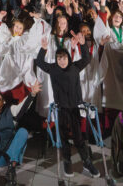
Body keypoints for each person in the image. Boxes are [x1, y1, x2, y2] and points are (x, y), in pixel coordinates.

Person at [34, 34, 101, 179]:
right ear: (56, 59)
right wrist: (43, 49)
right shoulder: (53, 69)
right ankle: (67, 161)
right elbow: (39, 62)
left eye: (64, 58)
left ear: (68, 58)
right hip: (61, 108)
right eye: (59, 58)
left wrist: (82, 45)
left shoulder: (75, 67)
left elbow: (86, 59)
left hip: (74, 107)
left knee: (78, 138)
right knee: (63, 136)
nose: (62, 61)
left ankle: (87, 162)